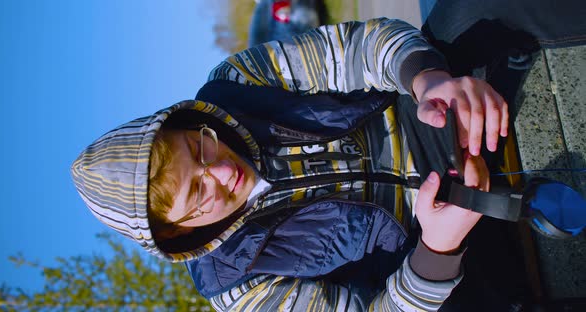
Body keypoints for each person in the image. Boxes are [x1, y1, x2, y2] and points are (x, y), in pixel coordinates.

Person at [72, 18, 507, 311]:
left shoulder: (236, 83)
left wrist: (427, 79)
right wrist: (438, 250)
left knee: (474, 16)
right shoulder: (236, 290)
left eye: (199, 147)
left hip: (438, 112)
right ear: (176, 233)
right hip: (444, 254)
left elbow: (359, 47)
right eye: (197, 194)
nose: (223, 171)